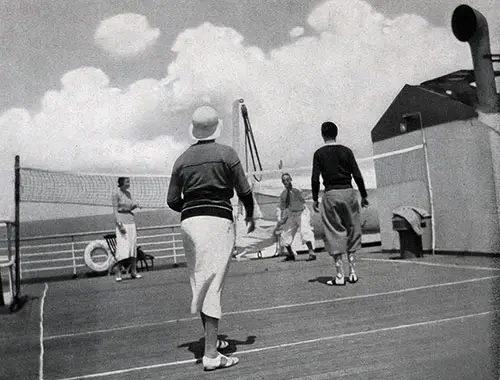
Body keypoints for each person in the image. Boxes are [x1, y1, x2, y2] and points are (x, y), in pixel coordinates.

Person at [167, 105, 255, 372]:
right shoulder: (227, 154)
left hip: (190, 222)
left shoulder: (181, 160)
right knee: (213, 283)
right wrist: (250, 214)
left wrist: (193, 209)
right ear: (216, 128)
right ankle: (211, 355)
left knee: (201, 281)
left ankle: (212, 340)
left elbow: (172, 200)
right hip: (217, 220)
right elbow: (244, 190)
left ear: (195, 130)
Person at [311, 122, 369, 286]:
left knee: (334, 232)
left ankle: (339, 275)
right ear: (336, 133)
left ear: (323, 135)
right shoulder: (347, 151)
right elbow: (357, 175)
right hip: (349, 192)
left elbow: (315, 179)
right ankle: (353, 272)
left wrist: (315, 198)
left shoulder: (319, 154)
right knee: (352, 229)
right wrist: (363, 195)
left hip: (331, 194)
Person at [275, 173, 316, 261]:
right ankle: (291, 254)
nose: (286, 182)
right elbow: (281, 206)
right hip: (292, 214)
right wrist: (280, 219)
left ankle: (311, 253)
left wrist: (292, 190)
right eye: (284, 181)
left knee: (305, 231)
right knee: (285, 235)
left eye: (287, 180)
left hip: (302, 213)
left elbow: (302, 197)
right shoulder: (283, 194)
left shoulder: (297, 189)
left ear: (291, 179)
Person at [111, 177, 142, 282]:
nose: (129, 183)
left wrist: (136, 206)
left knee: (132, 247)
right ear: (122, 183)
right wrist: (119, 225)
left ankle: (133, 271)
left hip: (131, 221)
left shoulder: (129, 194)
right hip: (122, 222)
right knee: (123, 248)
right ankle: (118, 272)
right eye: (127, 181)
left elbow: (129, 208)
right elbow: (115, 211)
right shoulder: (116, 194)